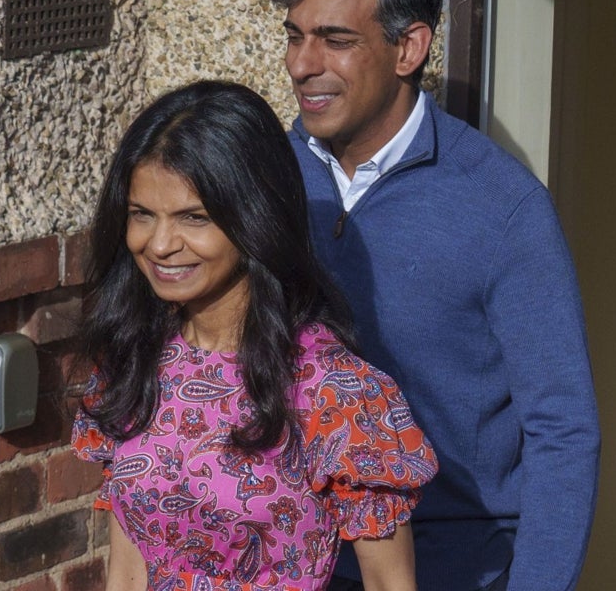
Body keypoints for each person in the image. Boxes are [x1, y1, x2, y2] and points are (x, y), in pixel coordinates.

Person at [270, 0, 600, 591]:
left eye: (334, 40)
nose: (303, 64)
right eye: (294, 35)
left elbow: (562, 430)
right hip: (291, 561)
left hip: (451, 564)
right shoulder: (265, 176)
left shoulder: (504, 208)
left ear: (409, 48)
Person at [70, 80, 438, 591]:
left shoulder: (336, 393)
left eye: (192, 218)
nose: (158, 244)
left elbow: (389, 585)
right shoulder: (132, 361)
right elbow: (127, 574)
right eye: (141, 215)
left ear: (255, 217)